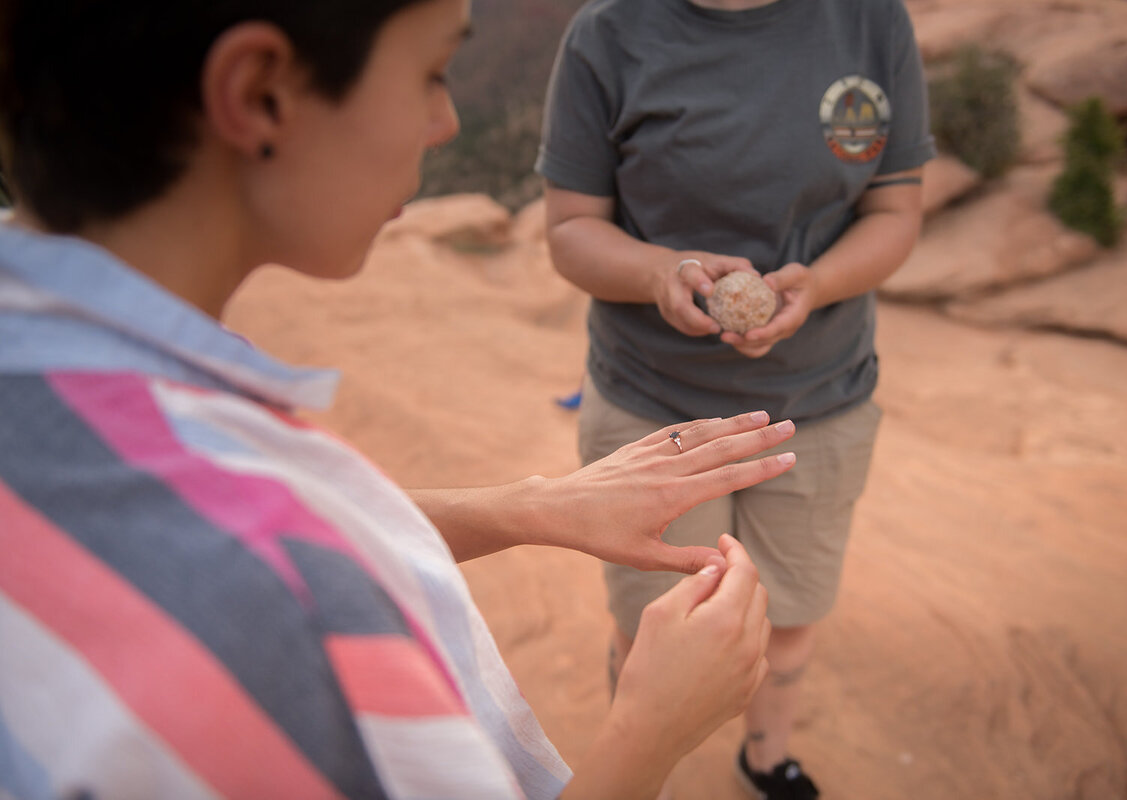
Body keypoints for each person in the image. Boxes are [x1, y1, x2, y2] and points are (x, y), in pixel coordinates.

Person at [0, 1, 805, 798]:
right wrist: (650, 731)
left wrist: (532, 506)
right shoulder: (267, 614)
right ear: (259, 95)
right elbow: (265, 566)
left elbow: (276, 537)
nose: (445, 121)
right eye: (430, 72)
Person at [537, 0, 936, 796]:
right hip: (655, 408)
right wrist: (660, 273)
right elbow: (571, 227)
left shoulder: (869, 21)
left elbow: (895, 209)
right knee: (655, 624)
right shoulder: (609, 31)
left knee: (787, 617)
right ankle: (639, 777)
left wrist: (815, 286)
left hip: (818, 401)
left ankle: (764, 760)